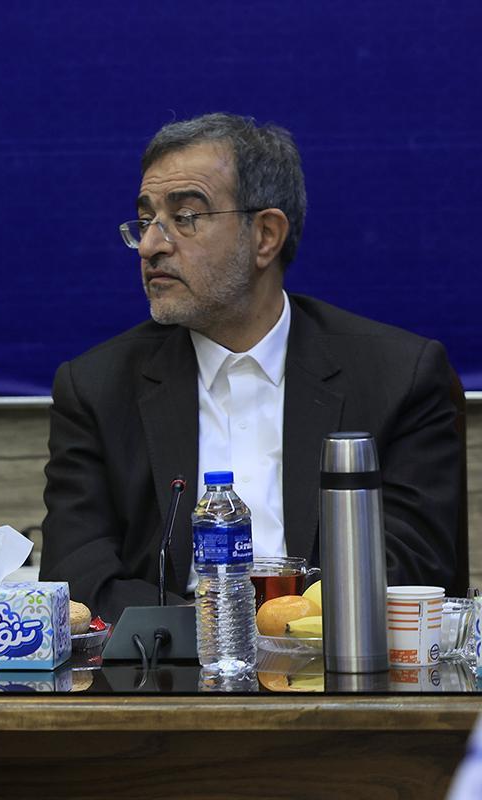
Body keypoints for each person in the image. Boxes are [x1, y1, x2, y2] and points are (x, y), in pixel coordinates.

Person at [40, 112, 460, 622]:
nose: (151, 245)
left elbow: (417, 571)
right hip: (164, 665)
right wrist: (215, 635)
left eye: (185, 217)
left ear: (265, 236)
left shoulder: (399, 378)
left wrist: (283, 631)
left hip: (338, 662)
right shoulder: (96, 387)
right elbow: (77, 580)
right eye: (146, 220)